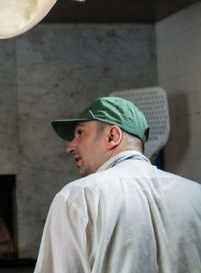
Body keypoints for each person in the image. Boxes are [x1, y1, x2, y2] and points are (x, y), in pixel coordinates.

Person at [34, 96, 201, 273]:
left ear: (112, 137)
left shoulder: (79, 196)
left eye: (80, 133)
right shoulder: (195, 193)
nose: (71, 147)